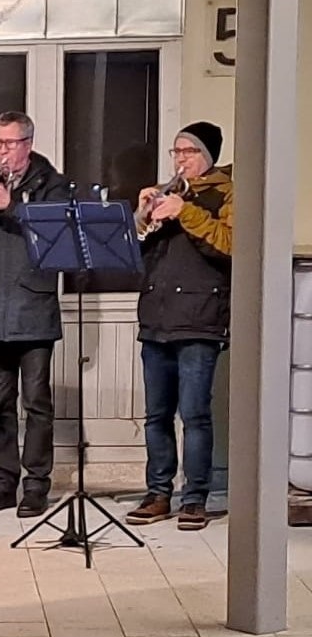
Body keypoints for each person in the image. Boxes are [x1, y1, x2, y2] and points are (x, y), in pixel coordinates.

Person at [126, 122, 233, 532]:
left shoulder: (225, 192)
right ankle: (157, 493)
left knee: (194, 414)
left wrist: (185, 212)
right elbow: (132, 251)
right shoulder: (166, 193)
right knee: (156, 415)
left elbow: (229, 244)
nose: (180, 159)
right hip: (157, 316)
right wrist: (141, 216)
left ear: (208, 156)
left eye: (188, 151)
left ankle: (195, 499)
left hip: (200, 318)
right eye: (176, 151)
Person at [0, 111, 66, 517]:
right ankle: (3, 481)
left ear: (28, 143)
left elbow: (54, 235)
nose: (2, 152)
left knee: (37, 403)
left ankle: (36, 484)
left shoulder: (52, 185)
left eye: (10, 144)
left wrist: (12, 206)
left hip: (34, 306)